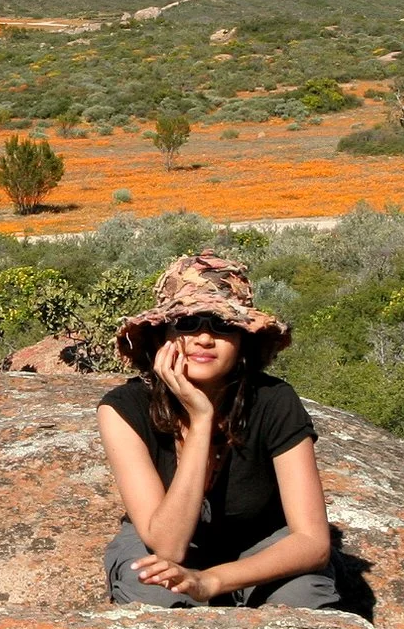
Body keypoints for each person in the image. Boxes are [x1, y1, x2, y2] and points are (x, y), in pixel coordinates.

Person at [98, 252, 341, 608]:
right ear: (160, 337)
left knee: (301, 600)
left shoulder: (274, 402)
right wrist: (201, 422)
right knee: (152, 594)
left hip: (260, 546)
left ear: (244, 340)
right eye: (187, 323)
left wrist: (210, 581)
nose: (204, 338)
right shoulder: (125, 408)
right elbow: (168, 546)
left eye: (223, 325)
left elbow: (312, 541)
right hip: (167, 543)